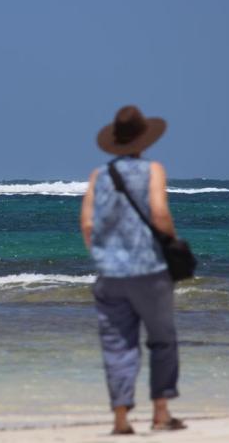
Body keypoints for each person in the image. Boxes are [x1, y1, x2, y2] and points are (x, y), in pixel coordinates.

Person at [79, 105, 186, 435]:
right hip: (149, 270)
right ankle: (161, 413)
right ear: (143, 139)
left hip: (109, 275)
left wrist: (102, 254)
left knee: (117, 345)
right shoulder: (153, 170)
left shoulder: (100, 175)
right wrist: (173, 242)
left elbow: (87, 223)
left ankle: (121, 419)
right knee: (162, 340)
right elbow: (159, 214)